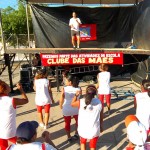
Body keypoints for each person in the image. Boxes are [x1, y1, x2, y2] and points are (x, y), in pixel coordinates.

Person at [71, 85, 103, 150]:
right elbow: (101, 117)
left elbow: (72, 104)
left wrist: (76, 95)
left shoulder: (81, 101)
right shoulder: (99, 102)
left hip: (83, 129)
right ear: (95, 93)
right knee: (93, 146)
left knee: (82, 143)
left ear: (86, 92)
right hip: (94, 129)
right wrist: (101, 126)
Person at [0, 80, 28, 150]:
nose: (9, 86)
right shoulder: (11, 100)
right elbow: (25, 100)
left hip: (1, 130)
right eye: (7, 85)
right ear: (5, 89)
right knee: (20, 145)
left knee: (3, 147)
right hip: (10, 130)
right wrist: (21, 89)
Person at [59, 75, 82, 143]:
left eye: (66, 80)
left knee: (67, 123)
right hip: (76, 108)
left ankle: (69, 136)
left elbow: (62, 98)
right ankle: (76, 133)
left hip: (67, 108)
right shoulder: (79, 88)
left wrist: (60, 105)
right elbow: (79, 98)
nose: (65, 81)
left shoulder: (64, 88)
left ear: (70, 82)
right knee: (78, 122)